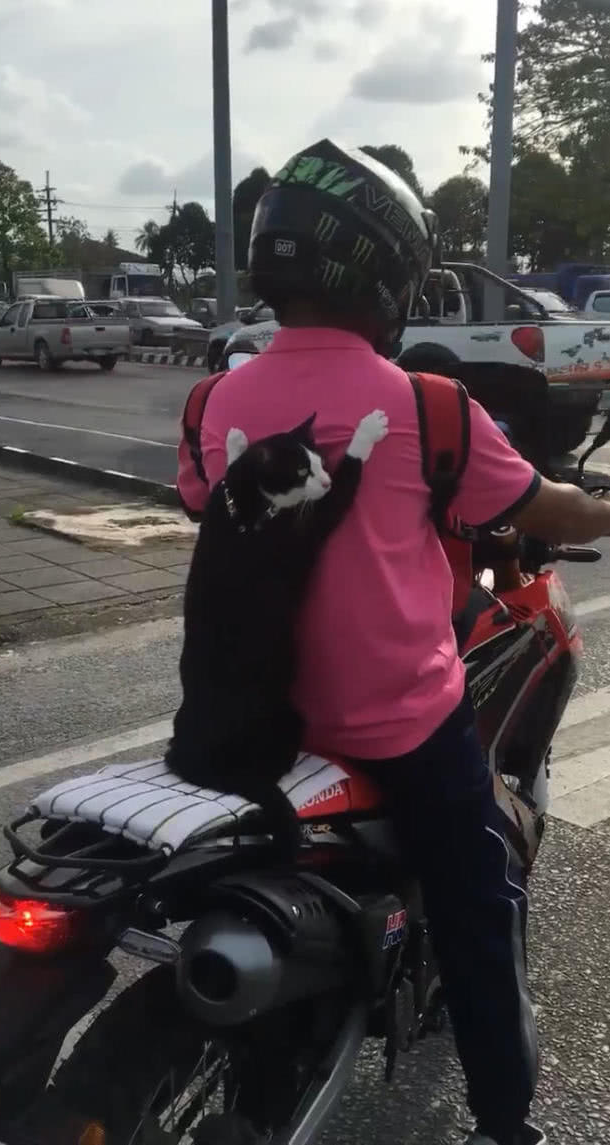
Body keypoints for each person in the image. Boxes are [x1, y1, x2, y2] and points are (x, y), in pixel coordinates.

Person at [177, 139, 610, 1145]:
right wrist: (599, 507)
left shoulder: (211, 402)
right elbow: (539, 509)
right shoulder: (424, 405)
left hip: (246, 715)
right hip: (395, 727)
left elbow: (207, 500)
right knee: (478, 899)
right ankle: (503, 1116)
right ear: (386, 272)